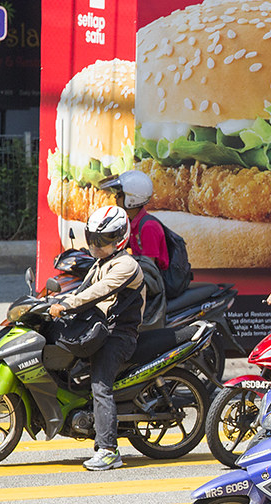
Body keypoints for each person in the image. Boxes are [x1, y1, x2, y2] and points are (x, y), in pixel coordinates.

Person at [49, 206, 146, 471]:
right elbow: (82, 289)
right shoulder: (102, 262)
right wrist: (54, 301)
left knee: (100, 385)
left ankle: (108, 450)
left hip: (118, 334)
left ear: (120, 238)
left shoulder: (126, 265)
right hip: (100, 328)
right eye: (92, 238)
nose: (95, 245)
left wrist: (68, 305)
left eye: (102, 240)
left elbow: (98, 292)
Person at [100, 170, 168, 272]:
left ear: (132, 198)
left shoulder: (148, 227)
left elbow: (149, 268)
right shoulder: (132, 223)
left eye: (119, 195)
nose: (115, 198)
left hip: (154, 282)